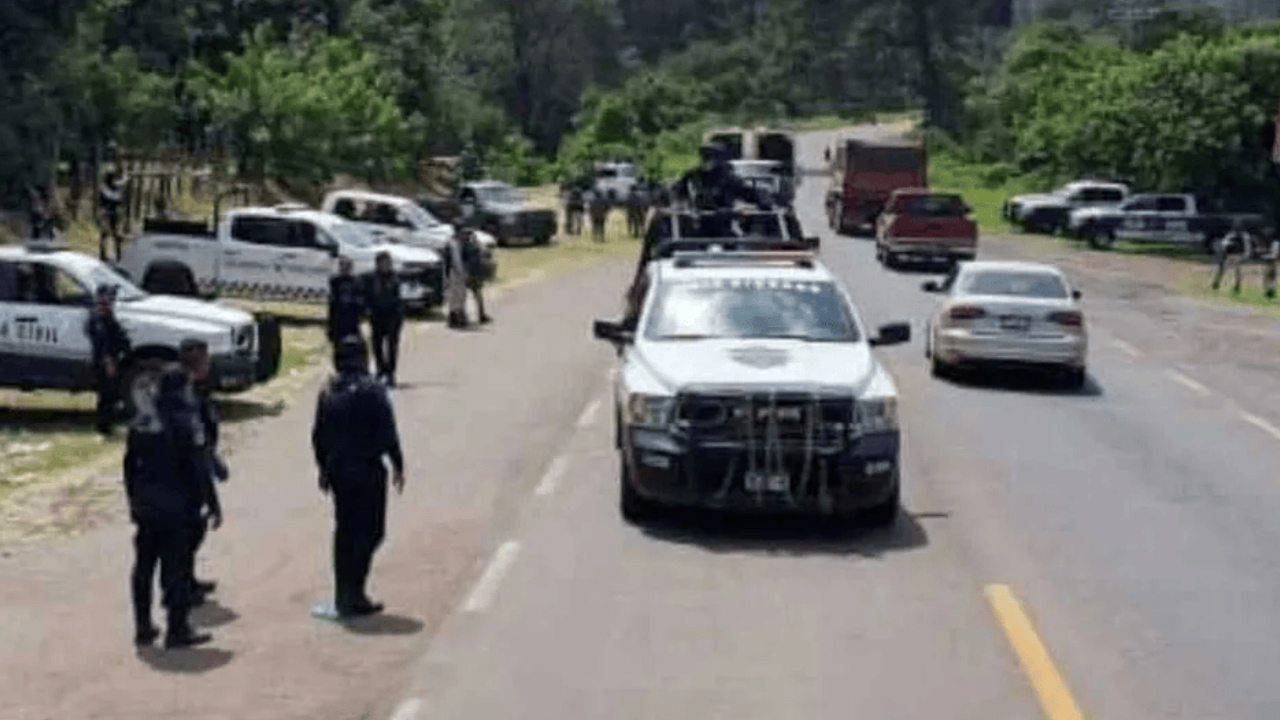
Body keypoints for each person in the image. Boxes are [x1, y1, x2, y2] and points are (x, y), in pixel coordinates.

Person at [124, 339, 221, 648]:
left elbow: (129, 466)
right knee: (176, 566)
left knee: (144, 565)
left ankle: (143, 626)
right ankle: (177, 629)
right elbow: (197, 465)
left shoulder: (142, 422)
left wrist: (133, 501)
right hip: (177, 506)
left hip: (146, 505)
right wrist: (212, 502)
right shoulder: (184, 422)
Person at [311, 335, 405, 618]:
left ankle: (347, 592)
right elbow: (387, 429)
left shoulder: (328, 391)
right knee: (371, 531)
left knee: (346, 531)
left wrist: (323, 469)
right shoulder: (372, 389)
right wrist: (398, 463)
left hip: (340, 472)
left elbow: (318, 436)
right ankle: (353, 592)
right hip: (367, 471)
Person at [674, 143, 772, 231]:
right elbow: (678, 194)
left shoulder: (728, 178)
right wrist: (680, 206)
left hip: (724, 222)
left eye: (712, 156)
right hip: (698, 222)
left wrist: (761, 203)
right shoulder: (693, 177)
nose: (709, 160)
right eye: (706, 156)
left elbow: (748, 193)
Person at [85, 285, 131, 436]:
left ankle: (109, 423)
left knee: (112, 395)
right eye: (104, 302)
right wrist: (108, 362)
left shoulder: (108, 317)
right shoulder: (97, 320)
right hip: (104, 363)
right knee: (106, 396)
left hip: (113, 360)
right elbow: (102, 342)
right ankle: (103, 426)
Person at [365, 251, 404, 387]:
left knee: (392, 346)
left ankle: (390, 372)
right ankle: (380, 370)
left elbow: (397, 297)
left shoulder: (394, 278)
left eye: (388, 263)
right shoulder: (371, 278)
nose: (386, 266)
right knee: (377, 345)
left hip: (393, 316)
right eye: (383, 263)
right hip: (377, 316)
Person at [459, 221, 492, 325]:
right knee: (475, 295)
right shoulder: (473, 244)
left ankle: (466, 317)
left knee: (467, 296)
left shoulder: (462, 245)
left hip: (469, 273)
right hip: (471, 272)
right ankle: (479, 315)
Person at [327, 256, 364, 345]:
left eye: (347, 266)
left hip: (351, 317)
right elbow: (333, 302)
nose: (344, 268)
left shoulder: (356, 281)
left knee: (351, 344)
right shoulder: (335, 281)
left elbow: (359, 300)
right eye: (342, 266)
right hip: (338, 317)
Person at [1212, 219, 1254, 294]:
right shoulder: (1232, 234)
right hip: (1230, 254)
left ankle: (1237, 286)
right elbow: (1224, 243)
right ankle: (1217, 283)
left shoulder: (1243, 235)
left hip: (1238, 255)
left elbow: (1246, 245)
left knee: (1237, 271)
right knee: (1225, 269)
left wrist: (1245, 254)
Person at [445, 220, 470, 328]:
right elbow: (447, 261)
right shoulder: (450, 244)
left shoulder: (464, 243)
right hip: (453, 272)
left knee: (462, 295)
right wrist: (447, 275)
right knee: (453, 296)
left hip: (462, 271)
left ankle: (461, 315)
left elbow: (467, 257)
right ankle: (453, 317)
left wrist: (466, 271)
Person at [99, 168, 127, 261]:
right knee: (105, 234)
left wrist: (125, 178)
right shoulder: (104, 187)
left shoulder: (114, 186)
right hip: (106, 212)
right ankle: (103, 254)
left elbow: (120, 198)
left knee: (116, 235)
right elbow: (112, 196)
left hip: (114, 213)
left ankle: (118, 254)